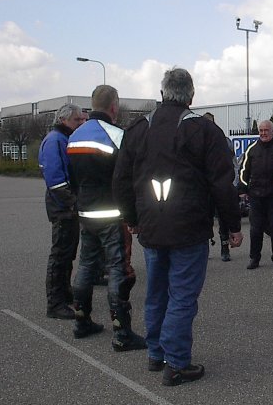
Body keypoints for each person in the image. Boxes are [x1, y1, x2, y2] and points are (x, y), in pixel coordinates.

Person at [113, 68, 243, 386]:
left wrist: (132, 218)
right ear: (191, 96)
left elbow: (121, 180)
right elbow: (222, 183)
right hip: (189, 228)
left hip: (152, 227)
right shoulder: (204, 130)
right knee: (182, 296)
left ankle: (157, 354)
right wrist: (232, 226)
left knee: (157, 293)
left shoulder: (138, 129)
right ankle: (176, 363)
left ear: (162, 93)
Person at [67, 85, 146, 351]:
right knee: (117, 268)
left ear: (92, 106)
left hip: (85, 211)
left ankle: (81, 321)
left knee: (86, 265)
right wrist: (133, 213)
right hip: (112, 213)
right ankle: (121, 332)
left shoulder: (74, 135)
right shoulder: (117, 135)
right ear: (114, 106)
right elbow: (128, 176)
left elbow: (71, 176)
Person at [38, 103, 85, 319]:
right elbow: (55, 180)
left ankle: (64, 294)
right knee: (60, 254)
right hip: (62, 206)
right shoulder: (56, 140)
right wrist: (73, 203)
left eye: (82, 119)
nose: (80, 123)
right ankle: (55, 303)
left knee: (67, 252)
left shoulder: (62, 138)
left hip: (66, 205)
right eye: (77, 120)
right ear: (63, 120)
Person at [238, 120, 273, 270]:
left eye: (266, 130)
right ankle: (254, 258)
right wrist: (242, 189)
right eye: (261, 130)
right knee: (255, 229)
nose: (263, 133)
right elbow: (243, 171)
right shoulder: (251, 148)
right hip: (255, 196)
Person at [203, 112, 236, 262]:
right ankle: (205, 247)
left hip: (220, 184)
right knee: (205, 218)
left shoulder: (224, 140)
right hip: (205, 187)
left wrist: (232, 182)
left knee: (223, 217)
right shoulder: (197, 140)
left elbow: (232, 163)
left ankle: (224, 247)